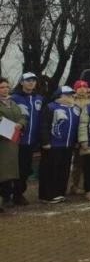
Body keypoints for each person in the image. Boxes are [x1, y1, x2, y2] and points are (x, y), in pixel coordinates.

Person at [10, 72, 41, 206]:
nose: (31, 83)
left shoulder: (39, 98)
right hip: (16, 140)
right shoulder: (14, 98)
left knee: (25, 169)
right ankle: (6, 194)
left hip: (31, 141)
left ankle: (19, 193)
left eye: (33, 80)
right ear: (22, 82)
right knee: (12, 168)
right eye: (28, 80)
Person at [0, 77, 26, 211]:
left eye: (6, 87)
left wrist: (20, 124)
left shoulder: (12, 102)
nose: (5, 89)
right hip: (2, 142)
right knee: (3, 171)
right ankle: (4, 197)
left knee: (11, 171)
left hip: (13, 141)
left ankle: (9, 196)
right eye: (2, 87)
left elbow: (22, 116)